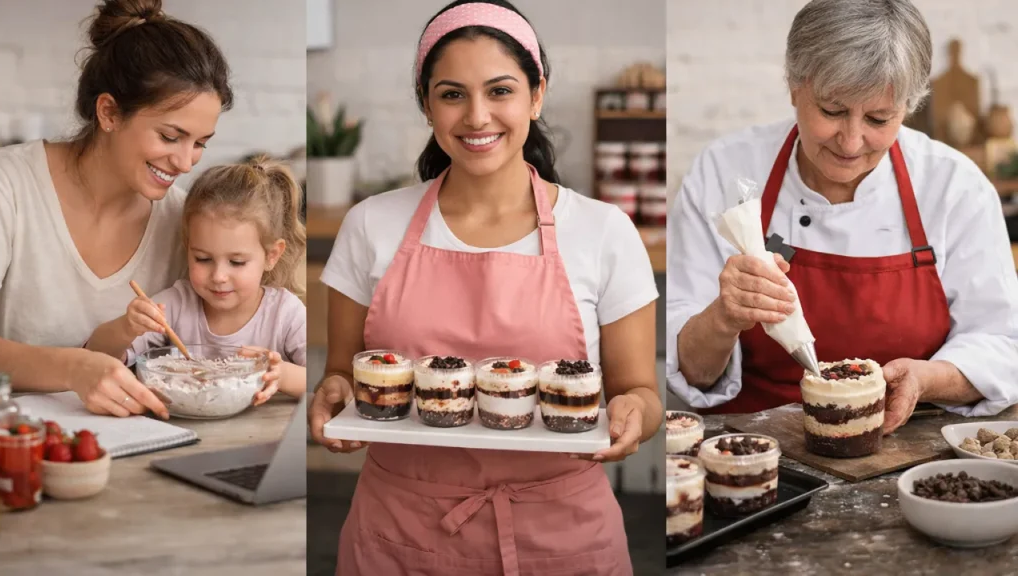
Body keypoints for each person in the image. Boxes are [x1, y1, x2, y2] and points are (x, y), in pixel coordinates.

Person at [308, 1, 660, 574]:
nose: (477, 116)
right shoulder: (370, 224)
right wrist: (332, 395)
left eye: (500, 91)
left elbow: (642, 393)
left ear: (536, 94)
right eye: (452, 94)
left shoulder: (604, 231)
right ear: (426, 104)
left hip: (563, 536)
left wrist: (631, 416)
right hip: (399, 533)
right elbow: (343, 379)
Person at [667, 0, 1018, 433]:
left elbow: (1002, 343)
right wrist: (724, 317)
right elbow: (693, 372)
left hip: (902, 446)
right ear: (794, 86)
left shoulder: (953, 187)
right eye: (832, 111)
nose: (851, 142)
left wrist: (927, 379)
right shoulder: (722, 171)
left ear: (907, 108)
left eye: (878, 118)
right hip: (751, 449)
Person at [0, 0, 234, 420]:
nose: (185, 162)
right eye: (170, 136)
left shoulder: (184, 222)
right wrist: (74, 367)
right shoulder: (8, 187)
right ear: (108, 113)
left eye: (199, 143)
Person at [85, 157, 308, 404]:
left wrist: (281, 375)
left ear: (271, 255)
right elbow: (94, 355)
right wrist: (127, 327)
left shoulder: (285, 314)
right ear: (188, 248)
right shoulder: (175, 305)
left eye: (236, 262)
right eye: (203, 259)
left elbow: (321, 383)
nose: (219, 277)